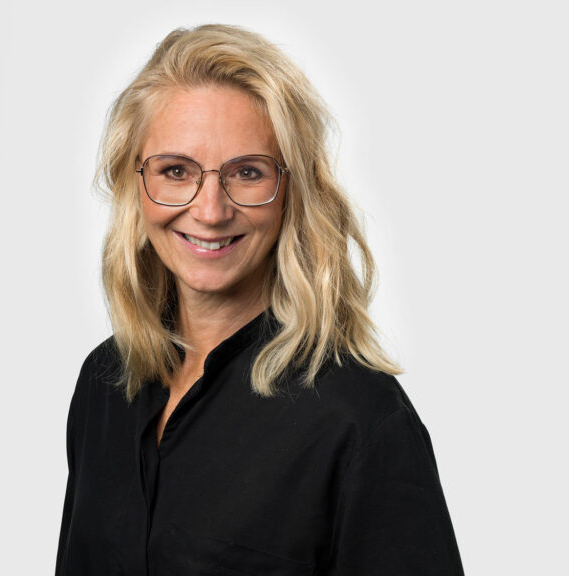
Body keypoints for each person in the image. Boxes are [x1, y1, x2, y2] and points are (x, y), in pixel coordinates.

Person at [56, 25, 464, 576]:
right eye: (176, 171)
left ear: (292, 191)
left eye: (247, 173)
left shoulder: (360, 420)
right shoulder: (104, 384)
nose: (210, 211)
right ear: (135, 183)